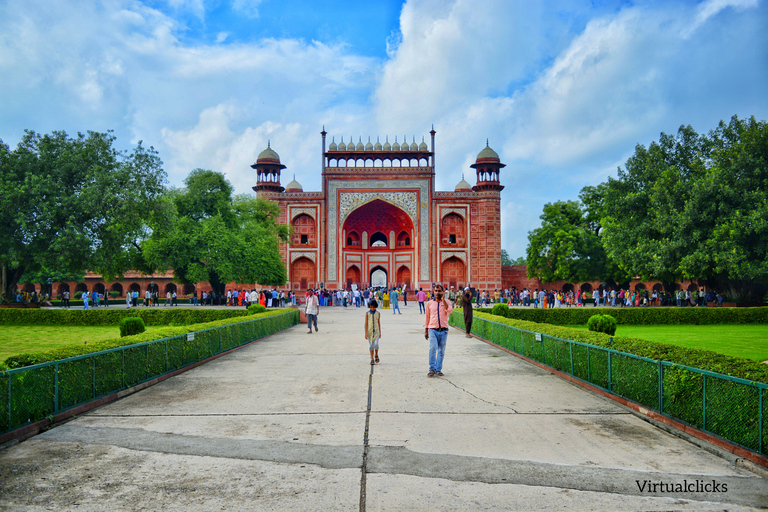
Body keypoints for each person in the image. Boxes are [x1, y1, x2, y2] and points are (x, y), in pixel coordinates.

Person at [424, 284, 453, 377]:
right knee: (433, 348)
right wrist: (426, 329)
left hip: (443, 330)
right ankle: (432, 368)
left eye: (439, 291)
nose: (437, 292)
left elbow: (449, 311)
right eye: (436, 291)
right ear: (433, 291)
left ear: (443, 292)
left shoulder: (447, 302)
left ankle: (438, 369)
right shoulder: (429, 303)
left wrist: (443, 300)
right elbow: (427, 316)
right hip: (432, 329)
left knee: (441, 350)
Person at [365, 299, 382, 365]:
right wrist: (366, 333)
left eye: (373, 307)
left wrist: (380, 332)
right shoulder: (367, 314)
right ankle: (372, 358)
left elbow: (378, 322)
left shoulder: (378, 313)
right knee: (371, 346)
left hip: (376, 332)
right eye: (371, 307)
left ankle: (376, 355)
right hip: (369, 332)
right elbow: (366, 323)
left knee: (376, 344)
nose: (372, 308)